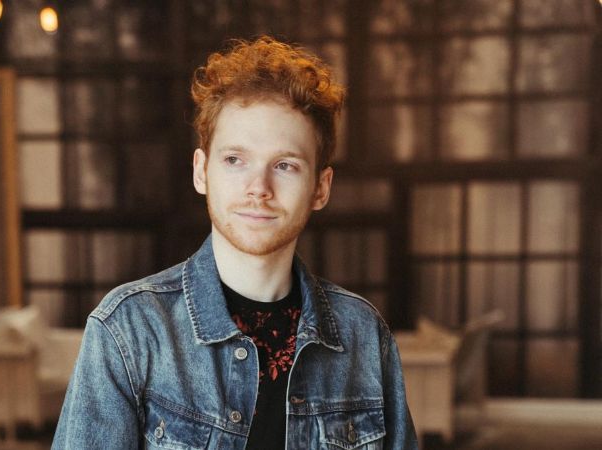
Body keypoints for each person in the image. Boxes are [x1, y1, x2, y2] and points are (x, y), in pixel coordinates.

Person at [53, 36, 417, 450]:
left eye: (285, 165)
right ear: (201, 171)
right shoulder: (128, 331)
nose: (258, 187)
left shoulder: (364, 334)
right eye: (234, 160)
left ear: (321, 187)